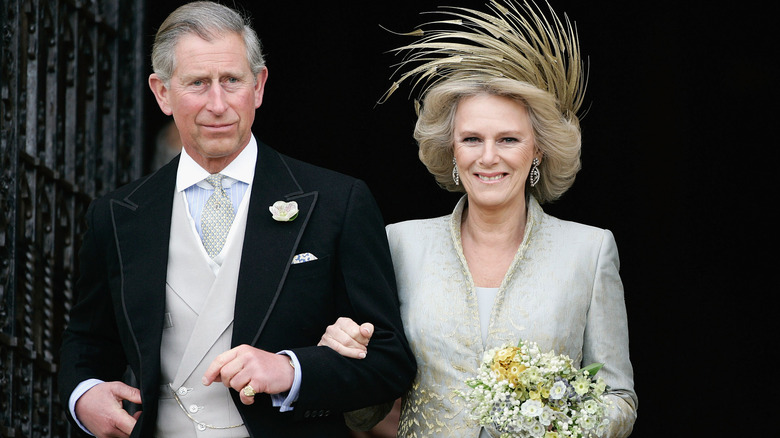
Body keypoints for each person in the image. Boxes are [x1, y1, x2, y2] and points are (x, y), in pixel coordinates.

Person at [57, 2, 415, 437]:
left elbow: (390, 360)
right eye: (197, 83)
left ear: (259, 86)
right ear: (162, 93)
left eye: (231, 80)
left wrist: (291, 370)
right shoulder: (115, 216)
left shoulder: (339, 202)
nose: (218, 103)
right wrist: (84, 393)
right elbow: (87, 342)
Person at [319, 0, 637, 436]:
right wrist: (342, 362)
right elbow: (363, 413)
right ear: (452, 149)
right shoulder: (399, 245)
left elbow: (618, 398)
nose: (488, 157)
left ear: (538, 149)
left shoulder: (590, 250)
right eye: (472, 139)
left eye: (508, 139)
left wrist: (566, 423)